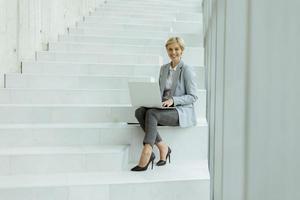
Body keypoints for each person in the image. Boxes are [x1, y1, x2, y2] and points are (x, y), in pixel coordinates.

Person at [131, 37, 198, 171]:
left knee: (151, 114)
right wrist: (151, 99)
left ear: (182, 50)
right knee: (140, 112)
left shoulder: (187, 70)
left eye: (176, 49)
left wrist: (173, 100)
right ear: (167, 50)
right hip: (163, 107)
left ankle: (147, 150)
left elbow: (193, 96)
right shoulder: (163, 69)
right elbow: (159, 91)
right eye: (170, 49)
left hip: (180, 111)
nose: (173, 52)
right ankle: (163, 147)